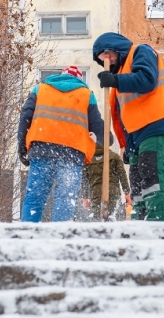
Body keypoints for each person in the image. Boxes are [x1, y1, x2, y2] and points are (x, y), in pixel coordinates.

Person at [93, 32, 164, 221]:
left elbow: (147, 79)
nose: (107, 61)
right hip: (136, 134)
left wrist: (116, 81)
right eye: (102, 60)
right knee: (136, 180)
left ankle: (158, 221)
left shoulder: (141, 51)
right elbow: (124, 118)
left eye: (107, 56)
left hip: (155, 123)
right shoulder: (119, 77)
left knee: (151, 172)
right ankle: (139, 219)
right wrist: (127, 146)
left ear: (115, 48)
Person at [18, 65, 106, 222]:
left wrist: (22, 147)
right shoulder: (86, 95)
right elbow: (97, 126)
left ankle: (27, 236)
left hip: (41, 150)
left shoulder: (40, 89)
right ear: (79, 79)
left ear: (60, 76)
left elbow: (25, 116)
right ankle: (59, 238)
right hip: (71, 153)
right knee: (65, 200)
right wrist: (107, 138)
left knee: (35, 198)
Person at [78, 144, 131, 221]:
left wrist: (85, 197)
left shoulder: (87, 160)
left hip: (96, 194)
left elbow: (84, 181)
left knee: (99, 222)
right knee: (113, 219)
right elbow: (122, 175)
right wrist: (127, 193)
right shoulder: (114, 156)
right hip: (113, 192)